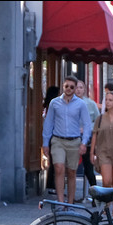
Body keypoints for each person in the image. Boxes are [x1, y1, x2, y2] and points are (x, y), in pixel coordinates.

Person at [42, 75, 92, 204]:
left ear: (75, 88)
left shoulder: (81, 104)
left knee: (71, 172)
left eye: (71, 87)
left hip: (74, 141)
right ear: (63, 86)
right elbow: (48, 123)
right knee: (58, 168)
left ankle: (69, 203)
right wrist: (45, 143)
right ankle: (60, 202)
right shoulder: (54, 103)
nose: (69, 89)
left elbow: (87, 124)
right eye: (66, 86)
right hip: (58, 140)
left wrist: (84, 142)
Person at [76, 80, 99, 191]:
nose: (78, 90)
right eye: (76, 87)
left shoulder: (91, 103)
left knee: (89, 168)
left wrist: (87, 128)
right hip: (72, 138)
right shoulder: (68, 103)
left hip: (87, 139)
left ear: (84, 89)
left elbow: (98, 121)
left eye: (81, 87)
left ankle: (95, 193)